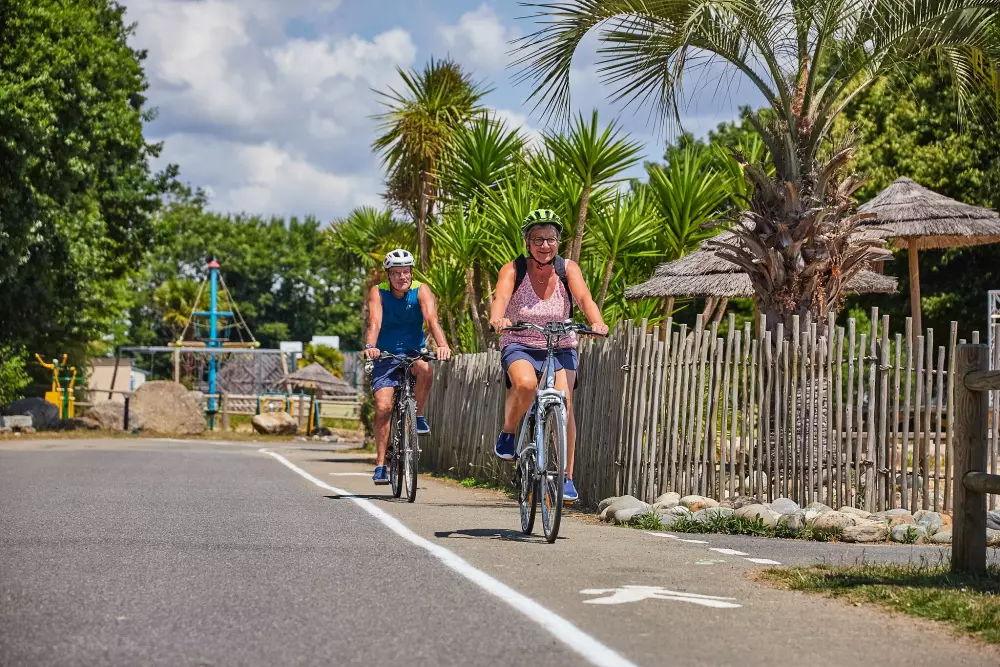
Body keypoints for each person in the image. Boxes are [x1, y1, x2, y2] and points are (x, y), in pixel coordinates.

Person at [488, 210, 609, 503]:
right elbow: (501, 298)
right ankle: (508, 433)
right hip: (521, 340)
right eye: (538, 239)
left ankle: (566, 477)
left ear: (558, 242)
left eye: (551, 239)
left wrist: (597, 321)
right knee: (526, 385)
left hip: (561, 342)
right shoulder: (513, 269)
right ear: (528, 242)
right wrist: (498, 318)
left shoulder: (568, 269)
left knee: (565, 403)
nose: (545, 245)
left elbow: (584, 298)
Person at [364, 249, 451, 485]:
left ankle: (418, 415)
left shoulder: (421, 290)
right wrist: (371, 345)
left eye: (406, 272)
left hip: (414, 352)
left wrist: (443, 345)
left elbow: (432, 320)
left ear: (412, 273)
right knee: (383, 407)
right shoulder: (378, 292)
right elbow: (375, 322)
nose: (402, 277)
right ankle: (381, 465)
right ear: (388, 275)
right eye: (396, 273)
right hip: (385, 355)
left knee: (425, 369)